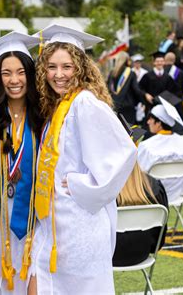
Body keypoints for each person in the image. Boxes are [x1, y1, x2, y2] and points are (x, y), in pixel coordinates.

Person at [29, 24, 137, 294]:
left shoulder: (84, 104)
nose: (58, 75)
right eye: (51, 67)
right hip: (56, 224)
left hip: (80, 225)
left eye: (67, 67)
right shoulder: (59, 107)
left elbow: (124, 153)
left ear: (80, 68)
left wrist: (81, 184)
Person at [0, 32, 43, 294]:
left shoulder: (43, 116)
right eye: (6, 73)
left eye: (20, 72)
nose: (14, 80)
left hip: (31, 221)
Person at [138, 99, 183, 202]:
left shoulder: (147, 146)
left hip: (153, 196)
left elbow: (139, 175)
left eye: (150, 119)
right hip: (178, 196)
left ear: (159, 123)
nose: (148, 122)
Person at [112, 162, 168, 267]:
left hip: (107, 256)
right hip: (141, 254)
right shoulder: (154, 187)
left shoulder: (100, 192)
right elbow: (158, 242)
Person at [138, 51, 178, 117]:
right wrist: (146, 94)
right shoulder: (147, 76)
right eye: (157, 61)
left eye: (161, 61)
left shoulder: (168, 77)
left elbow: (174, 91)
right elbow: (139, 88)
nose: (159, 63)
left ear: (164, 62)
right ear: (154, 62)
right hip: (150, 105)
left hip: (164, 106)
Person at [107, 51, 142, 123]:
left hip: (114, 105)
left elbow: (107, 89)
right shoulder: (130, 73)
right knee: (129, 131)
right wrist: (142, 100)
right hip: (128, 107)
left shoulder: (112, 73)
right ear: (127, 60)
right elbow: (136, 90)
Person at [164, 52, 183, 132]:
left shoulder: (162, 72)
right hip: (177, 100)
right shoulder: (179, 72)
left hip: (165, 99)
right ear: (174, 60)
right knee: (180, 120)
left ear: (165, 60)